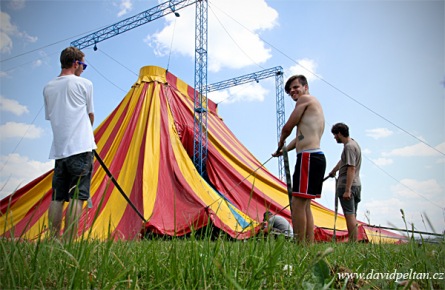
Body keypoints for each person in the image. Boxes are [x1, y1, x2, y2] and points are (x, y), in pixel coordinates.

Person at [43, 46, 96, 240]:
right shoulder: (84, 84)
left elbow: (52, 117)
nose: (83, 69)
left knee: (57, 196)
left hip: (59, 150)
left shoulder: (48, 87)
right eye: (83, 65)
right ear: (76, 64)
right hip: (81, 148)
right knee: (78, 196)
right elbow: (90, 116)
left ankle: (54, 239)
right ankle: (69, 241)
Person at [273, 75, 326, 244]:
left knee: (296, 203)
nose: (293, 91)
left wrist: (281, 141)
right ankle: (307, 244)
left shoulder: (305, 99)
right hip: (315, 156)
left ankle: (299, 244)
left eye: (295, 87)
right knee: (305, 204)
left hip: (308, 157)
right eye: (290, 91)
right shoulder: (314, 107)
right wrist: (282, 151)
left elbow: (288, 127)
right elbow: (299, 138)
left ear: (305, 87)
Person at [328, 123, 362, 242]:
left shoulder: (349, 147)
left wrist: (347, 190)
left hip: (348, 186)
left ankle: (353, 242)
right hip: (356, 184)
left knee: (349, 215)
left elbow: (351, 167)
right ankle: (354, 240)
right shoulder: (353, 144)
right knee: (353, 214)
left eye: (335, 135)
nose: (334, 138)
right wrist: (333, 171)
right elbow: (343, 161)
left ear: (339, 133)